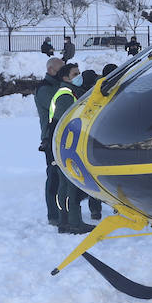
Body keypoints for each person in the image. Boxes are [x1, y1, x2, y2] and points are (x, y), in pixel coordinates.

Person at [48, 62, 95, 234]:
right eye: (75, 74)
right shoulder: (65, 95)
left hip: (64, 144)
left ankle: (65, 221)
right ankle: (73, 222)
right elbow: (71, 119)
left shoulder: (70, 92)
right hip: (65, 145)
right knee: (69, 186)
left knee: (65, 185)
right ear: (66, 78)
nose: (79, 76)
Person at [34, 57, 68, 226]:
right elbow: (59, 108)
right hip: (51, 137)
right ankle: (53, 214)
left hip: (64, 135)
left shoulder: (59, 86)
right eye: (60, 69)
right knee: (54, 176)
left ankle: (66, 211)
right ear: (51, 70)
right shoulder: (44, 89)